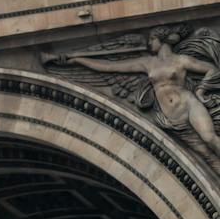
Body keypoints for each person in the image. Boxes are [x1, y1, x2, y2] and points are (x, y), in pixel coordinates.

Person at [55, 30, 220, 161]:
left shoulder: (181, 60)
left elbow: (211, 69)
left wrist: (200, 90)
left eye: (151, 39)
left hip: (189, 102)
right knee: (206, 156)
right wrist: (79, 60)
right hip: (172, 118)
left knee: (210, 137)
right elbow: (109, 67)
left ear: (161, 39)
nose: (149, 43)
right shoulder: (147, 63)